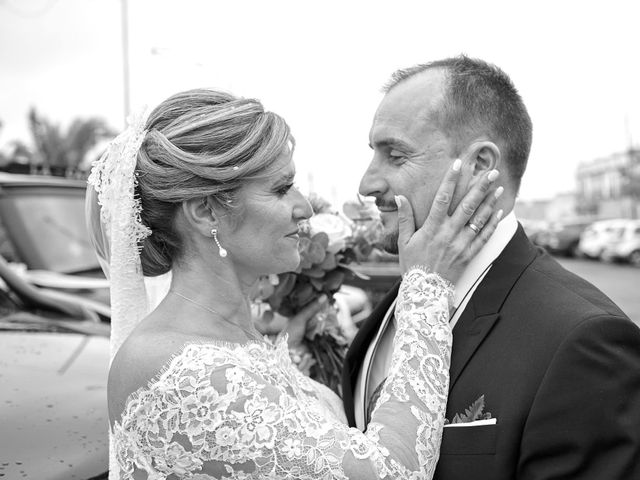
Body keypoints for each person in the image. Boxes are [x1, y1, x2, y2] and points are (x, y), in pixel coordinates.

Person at [86, 88, 502, 479]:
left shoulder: (228, 339)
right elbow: (391, 473)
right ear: (205, 212)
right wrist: (426, 287)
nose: (304, 207)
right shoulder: (178, 372)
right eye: (282, 189)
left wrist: (301, 353)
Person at [342, 55, 640, 479]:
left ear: (480, 164)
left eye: (396, 155)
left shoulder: (582, 339)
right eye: (374, 153)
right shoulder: (398, 302)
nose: (366, 183)